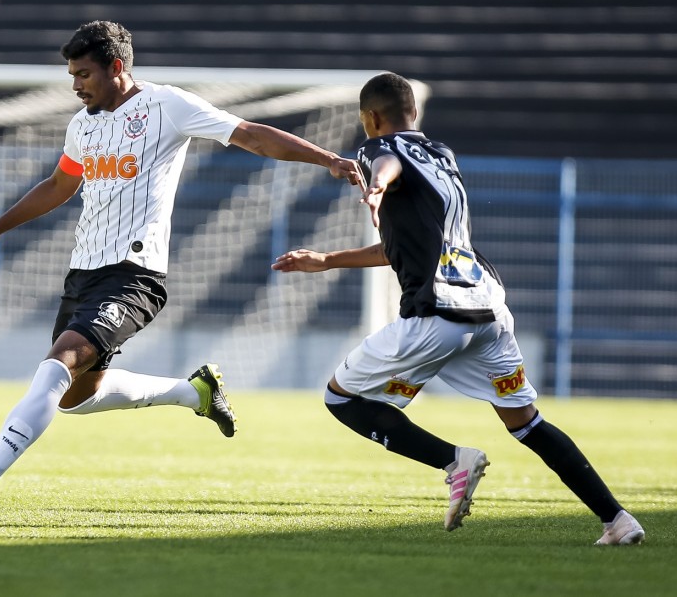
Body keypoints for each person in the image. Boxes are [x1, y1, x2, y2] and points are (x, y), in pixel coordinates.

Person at [0, 20, 363, 520]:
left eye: (84, 74)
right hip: (83, 274)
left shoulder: (167, 106)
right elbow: (60, 185)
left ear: (116, 68)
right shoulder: (83, 125)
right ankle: (195, 392)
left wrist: (329, 159)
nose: (76, 85)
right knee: (76, 398)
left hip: (135, 276)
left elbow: (249, 135)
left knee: (55, 367)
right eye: (72, 74)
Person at [271, 72, 645, 545]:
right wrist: (327, 261)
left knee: (342, 399)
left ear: (371, 117)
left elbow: (385, 162)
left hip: (438, 316)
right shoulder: (443, 156)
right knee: (528, 423)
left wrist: (378, 186)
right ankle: (617, 519)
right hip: (487, 311)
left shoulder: (373, 151)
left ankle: (455, 462)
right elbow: (401, 248)